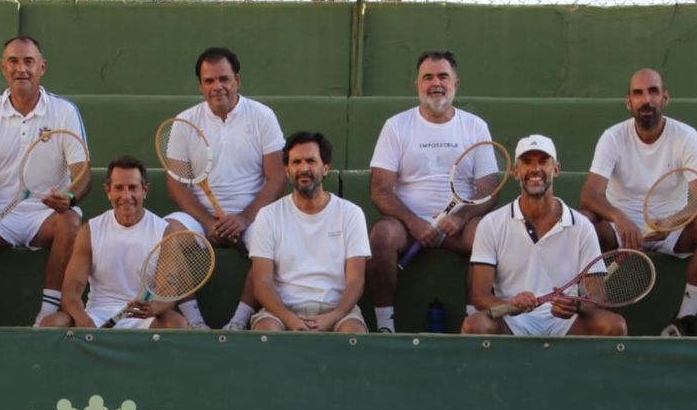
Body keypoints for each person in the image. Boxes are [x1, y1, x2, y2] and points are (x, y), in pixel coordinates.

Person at [0, 36, 91, 328]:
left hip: (45, 217)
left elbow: (82, 172)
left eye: (28, 61)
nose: (21, 68)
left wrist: (71, 198)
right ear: (3, 67)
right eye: (13, 61)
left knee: (72, 224)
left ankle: (44, 316)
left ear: (42, 67)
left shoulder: (64, 111)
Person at [579, 68, 697, 336]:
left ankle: (685, 320)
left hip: (671, 229)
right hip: (621, 230)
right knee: (584, 221)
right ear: (628, 102)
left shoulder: (686, 136)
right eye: (638, 93)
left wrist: (671, 223)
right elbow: (589, 195)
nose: (646, 99)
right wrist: (620, 219)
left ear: (665, 98)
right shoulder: (613, 137)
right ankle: (594, 311)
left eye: (653, 91)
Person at [367, 50, 495, 333]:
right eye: (427, 77)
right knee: (382, 234)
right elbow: (379, 189)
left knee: (485, 233)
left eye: (442, 76)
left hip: (456, 227)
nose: (435, 83)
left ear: (455, 84)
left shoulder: (475, 127)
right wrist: (414, 223)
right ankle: (384, 326)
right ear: (417, 85)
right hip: (408, 226)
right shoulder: (396, 126)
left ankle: (473, 321)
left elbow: (488, 189)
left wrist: (460, 219)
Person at [163, 46, 285, 330]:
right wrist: (207, 222)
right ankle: (195, 324)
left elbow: (277, 177)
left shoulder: (263, 116)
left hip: (253, 216)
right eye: (209, 81)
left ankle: (238, 323)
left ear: (237, 81)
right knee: (169, 233)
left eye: (224, 79)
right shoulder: (183, 123)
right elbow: (176, 185)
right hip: (200, 218)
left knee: (274, 242)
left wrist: (244, 218)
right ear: (201, 85)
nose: (217, 87)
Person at [462, 134, 626, 338]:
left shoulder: (582, 226)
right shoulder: (491, 224)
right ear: (515, 171)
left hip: (566, 323)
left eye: (543, 161)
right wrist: (510, 304)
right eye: (527, 162)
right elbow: (480, 295)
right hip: (513, 320)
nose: (535, 169)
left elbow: (598, 295)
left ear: (556, 169)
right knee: (474, 325)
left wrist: (577, 305)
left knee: (614, 325)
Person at [42, 156, 187, 331]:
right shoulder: (89, 231)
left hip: (141, 318)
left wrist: (153, 308)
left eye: (133, 188)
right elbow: (71, 292)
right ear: (108, 191)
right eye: (118, 188)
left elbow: (167, 294)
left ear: (145, 190)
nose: (126, 196)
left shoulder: (165, 232)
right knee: (52, 323)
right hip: (96, 315)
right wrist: (83, 320)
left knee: (176, 323)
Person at [248, 131, 368, 334]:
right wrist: (290, 319)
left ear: (325, 168)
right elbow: (261, 282)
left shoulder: (351, 214)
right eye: (296, 162)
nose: (304, 168)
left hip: (338, 310)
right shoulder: (268, 215)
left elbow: (356, 280)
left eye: (311, 161)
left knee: (353, 334)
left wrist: (333, 317)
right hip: (281, 310)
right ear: (287, 170)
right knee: (264, 332)